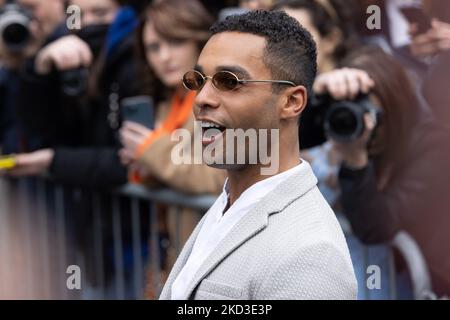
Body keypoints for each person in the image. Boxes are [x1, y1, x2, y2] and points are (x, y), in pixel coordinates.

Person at [159, 10, 357, 300]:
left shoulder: (311, 254)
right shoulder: (231, 202)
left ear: (291, 101)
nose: (201, 98)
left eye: (229, 81)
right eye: (199, 80)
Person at [118, 0, 226, 290]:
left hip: (214, 260)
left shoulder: (218, 97)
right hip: (175, 250)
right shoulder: (169, 101)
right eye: (153, 48)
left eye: (175, 42)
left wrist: (151, 151)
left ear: (200, 40)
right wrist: (145, 166)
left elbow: (216, 175)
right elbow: (173, 171)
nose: (164, 57)